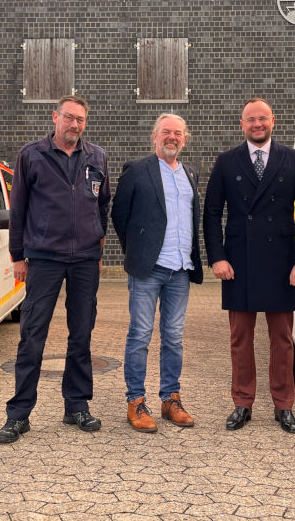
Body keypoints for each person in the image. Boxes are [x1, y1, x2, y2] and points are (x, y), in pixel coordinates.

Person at [0, 94, 110, 444]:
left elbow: (103, 205)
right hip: (43, 258)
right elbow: (18, 209)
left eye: (80, 119)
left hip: (85, 259)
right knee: (32, 335)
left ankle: (76, 406)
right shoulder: (32, 155)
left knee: (82, 333)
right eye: (69, 117)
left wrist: (99, 246)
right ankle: (19, 414)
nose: (74, 124)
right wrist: (17, 256)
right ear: (55, 117)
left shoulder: (97, 157)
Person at [203, 97, 295, 433]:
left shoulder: (294, 160)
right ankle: (242, 402)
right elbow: (211, 213)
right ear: (242, 124)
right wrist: (218, 257)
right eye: (251, 119)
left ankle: (284, 405)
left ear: (273, 121)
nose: (257, 124)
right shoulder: (226, 161)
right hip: (239, 261)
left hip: (282, 262)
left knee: (282, 339)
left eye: (262, 118)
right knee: (240, 339)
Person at [111, 113, 203, 433]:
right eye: (166, 132)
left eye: (177, 133)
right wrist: (137, 251)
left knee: (174, 337)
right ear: (155, 136)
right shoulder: (137, 170)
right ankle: (136, 401)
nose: (172, 137)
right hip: (147, 270)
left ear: (184, 139)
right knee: (140, 335)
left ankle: (170, 399)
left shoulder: (190, 173)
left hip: (181, 269)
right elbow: (119, 215)